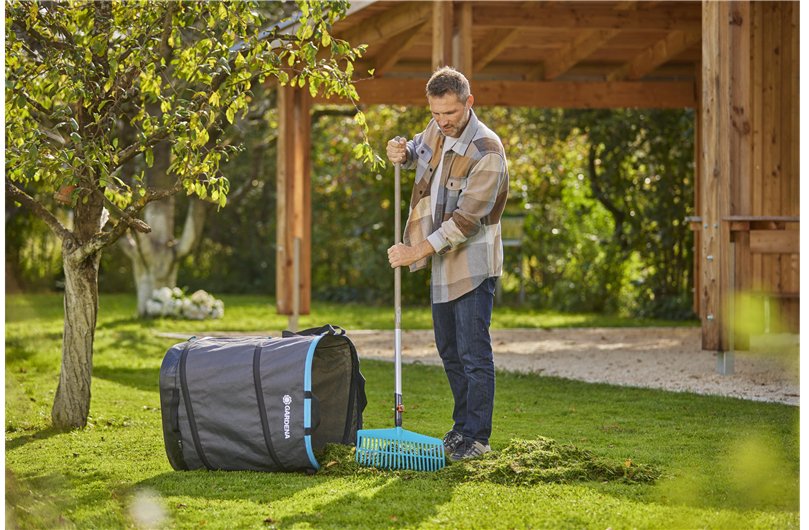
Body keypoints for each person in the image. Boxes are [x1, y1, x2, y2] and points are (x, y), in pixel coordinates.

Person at [386, 66, 509, 461]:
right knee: (450, 351)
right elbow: (415, 155)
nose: (442, 122)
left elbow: (465, 222)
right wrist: (401, 152)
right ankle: (460, 430)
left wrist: (413, 252)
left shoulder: (487, 151)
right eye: (436, 114)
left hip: (472, 265)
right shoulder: (438, 130)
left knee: (474, 354)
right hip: (441, 265)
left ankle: (478, 439)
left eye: (450, 114)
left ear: (469, 103)